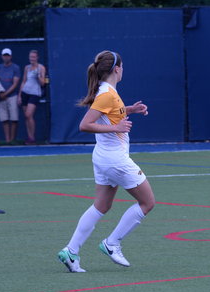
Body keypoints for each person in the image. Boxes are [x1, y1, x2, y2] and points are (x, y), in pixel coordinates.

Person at [57, 50, 153, 273]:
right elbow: (84, 125)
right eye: (123, 67)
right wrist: (116, 127)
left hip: (103, 158)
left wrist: (131, 110)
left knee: (101, 206)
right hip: (114, 159)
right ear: (117, 69)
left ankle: (71, 251)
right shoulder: (106, 94)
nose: (123, 70)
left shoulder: (107, 91)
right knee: (147, 202)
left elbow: (109, 114)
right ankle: (112, 243)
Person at [18, 50, 46, 145]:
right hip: (25, 93)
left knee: (28, 114)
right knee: (26, 117)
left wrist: (38, 76)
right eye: (31, 57)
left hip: (35, 94)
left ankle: (32, 137)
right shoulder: (27, 68)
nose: (32, 59)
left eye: (34, 57)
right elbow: (23, 81)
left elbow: (43, 83)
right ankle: (30, 137)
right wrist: (19, 95)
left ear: (37, 58)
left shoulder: (41, 68)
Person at [0, 48, 21, 144]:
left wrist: (5, 94)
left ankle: (12, 140)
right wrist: (1, 93)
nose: (6, 57)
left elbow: (15, 84)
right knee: (4, 120)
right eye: (4, 55)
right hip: (0, 97)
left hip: (12, 96)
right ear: (2, 56)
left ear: (11, 56)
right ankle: (7, 141)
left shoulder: (15, 68)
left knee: (14, 119)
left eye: (8, 55)